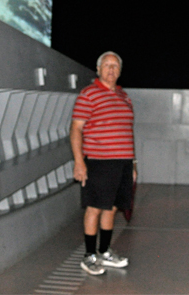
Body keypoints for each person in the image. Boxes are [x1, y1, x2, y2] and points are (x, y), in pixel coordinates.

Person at [70, 51, 138, 275]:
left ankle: (105, 252)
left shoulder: (123, 96)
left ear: (120, 71)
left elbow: (127, 131)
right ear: (98, 70)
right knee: (95, 208)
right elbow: (76, 129)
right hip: (99, 162)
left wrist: (133, 163)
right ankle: (89, 256)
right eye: (107, 66)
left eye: (115, 66)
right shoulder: (88, 94)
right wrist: (80, 162)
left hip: (123, 162)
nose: (111, 70)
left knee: (112, 207)